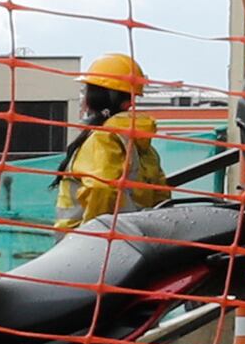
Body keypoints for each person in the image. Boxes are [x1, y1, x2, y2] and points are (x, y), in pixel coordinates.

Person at [52, 51, 164, 228]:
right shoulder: (143, 145)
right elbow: (161, 196)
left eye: (88, 90)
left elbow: (101, 188)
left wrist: (92, 236)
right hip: (136, 242)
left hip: (87, 247)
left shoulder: (103, 139)